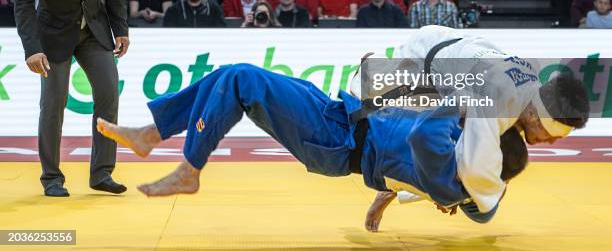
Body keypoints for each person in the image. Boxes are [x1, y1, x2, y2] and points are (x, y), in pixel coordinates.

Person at [94, 60, 576, 223]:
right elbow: (461, 196)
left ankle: (189, 168)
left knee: (242, 79)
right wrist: (394, 196)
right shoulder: (459, 176)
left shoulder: (451, 166)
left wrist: (470, 97)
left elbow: (431, 140)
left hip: (337, 140)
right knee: (228, 74)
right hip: (342, 113)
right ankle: (152, 133)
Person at [352, 24, 589, 229]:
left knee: (490, 173)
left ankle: (394, 189)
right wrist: (453, 195)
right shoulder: (500, 99)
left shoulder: (530, 95)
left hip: (455, 61)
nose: (551, 142)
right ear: (537, 119)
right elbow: (474, 173)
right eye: (551, 136)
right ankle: (373, 67)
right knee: (368, 110)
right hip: (423, 59)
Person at [14, 0, 129, 197]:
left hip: (93, 29)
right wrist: (32, 47)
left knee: (108, 93)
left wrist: (121, 28)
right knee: (53, 104)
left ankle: (102, 173)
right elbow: (24, 0)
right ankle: (52, 177)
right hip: (53, 34)